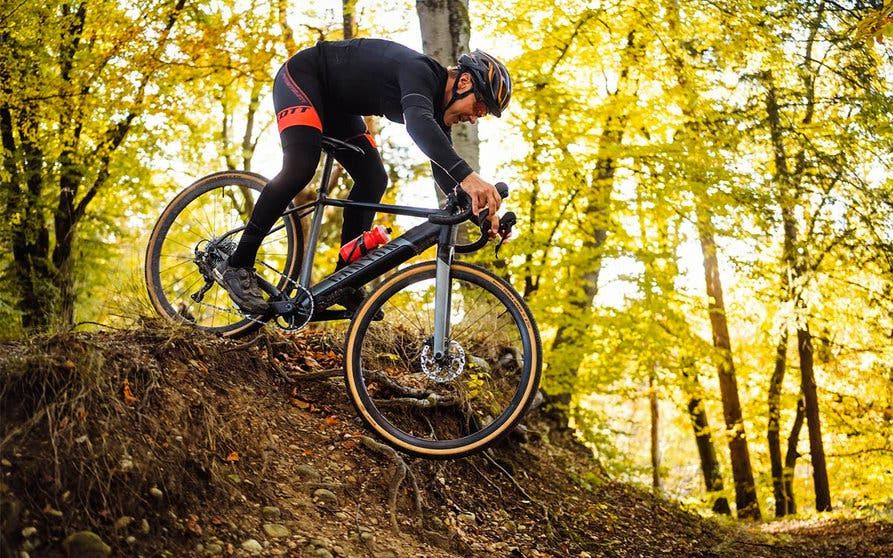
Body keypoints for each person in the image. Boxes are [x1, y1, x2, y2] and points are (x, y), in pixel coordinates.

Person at [215, 38, 512, 314]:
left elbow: (444, 170)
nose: (474, 118)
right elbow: (418, 126)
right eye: (479, 107)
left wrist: (482, 217)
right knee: (301, 166)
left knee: (373, 179)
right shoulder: (420, 72)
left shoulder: (437, 109)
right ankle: (239, 263)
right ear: (463, 82)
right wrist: (469, 176)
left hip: (337, 107)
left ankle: (345, 277)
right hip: (303, 78)